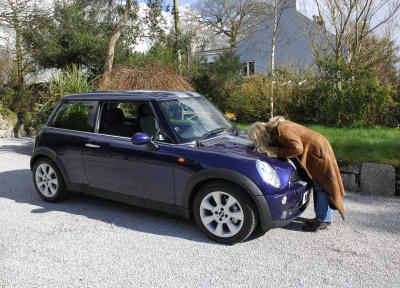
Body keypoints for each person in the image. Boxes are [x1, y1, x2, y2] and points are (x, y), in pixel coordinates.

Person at [248, 116, 345, 231]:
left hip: (317, 152)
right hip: (319, 147)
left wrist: (278, 153)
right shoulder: (279, 127)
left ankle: (322, 221)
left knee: (321, 187)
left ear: (262, 136)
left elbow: (297, 149)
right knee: (323, 186)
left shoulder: (280, 131)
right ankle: (323, 217)